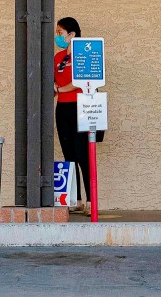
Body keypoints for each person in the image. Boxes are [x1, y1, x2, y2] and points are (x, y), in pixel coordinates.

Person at [54, 17, 100, 216]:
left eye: (60, 33)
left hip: (80, 107)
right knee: (69, 156)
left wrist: (61, 88)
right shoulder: (58, 57)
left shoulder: (83, 54)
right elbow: (53, 82)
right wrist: (57, 88)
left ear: (72, 34)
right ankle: (77, 199)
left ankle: (91, 201)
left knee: (83, 155)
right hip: (62, 108)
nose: (58, 37)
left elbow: (81, 81)